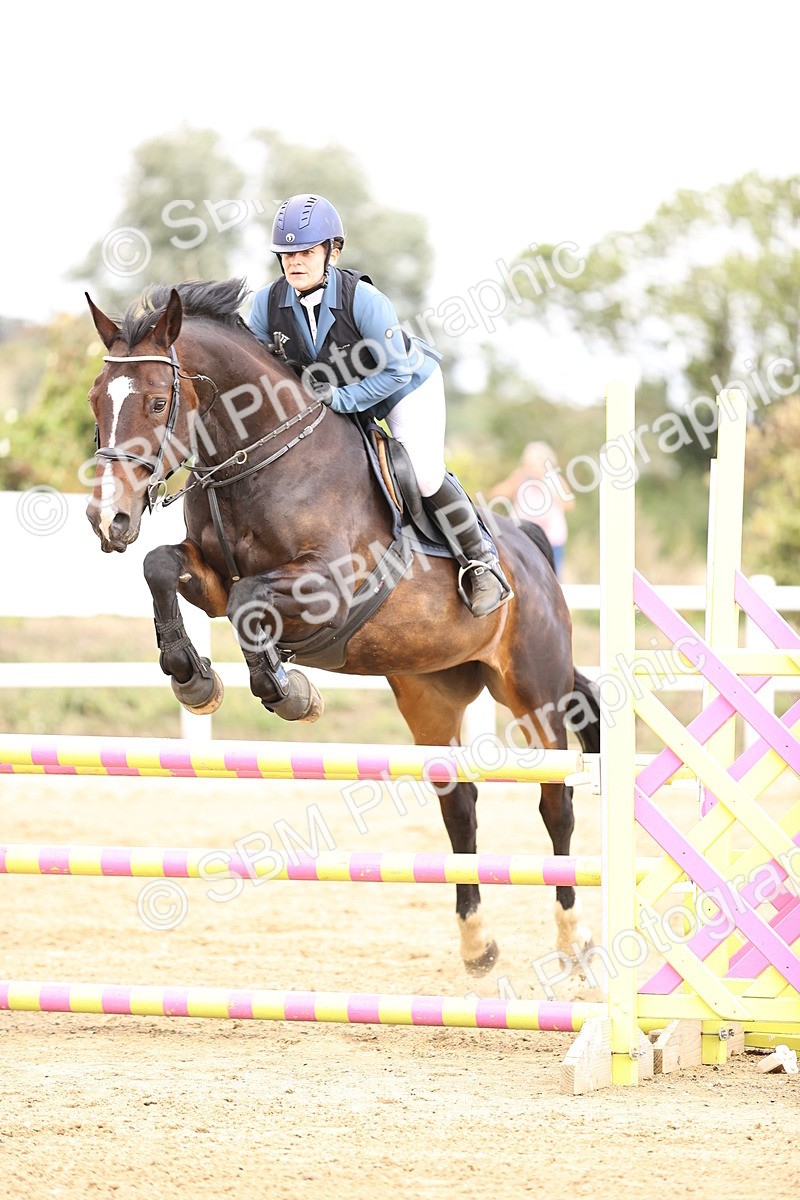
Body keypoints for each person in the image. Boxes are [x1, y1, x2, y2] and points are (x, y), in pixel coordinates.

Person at [248, 193, 512, 618]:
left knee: (423, 474)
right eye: (286, 254)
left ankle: (481, 561)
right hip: (333, 397)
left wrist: (339, 399)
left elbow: (396, 374)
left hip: (404, 387)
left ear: (332, 251)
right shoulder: (265, 305)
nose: (294, 262)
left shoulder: (364, 301)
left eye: (307, 251)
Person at [488, 441, 574, 577]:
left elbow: (570, 503)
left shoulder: (554, 480)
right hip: (523, 537)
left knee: (553, 576)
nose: (533, 468)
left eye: (537, 464)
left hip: (551, 539)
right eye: (529, 464)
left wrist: (552, 487)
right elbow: (499, 492)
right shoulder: (521, 477)